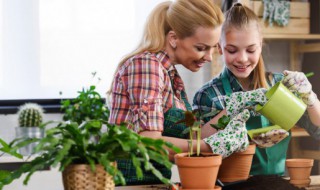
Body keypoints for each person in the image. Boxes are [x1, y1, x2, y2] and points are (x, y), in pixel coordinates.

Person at [107, 0, 250, 185]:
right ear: (174, 39)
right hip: (128, 184)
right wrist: (211, 147)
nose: (208, 57)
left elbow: (194, 137)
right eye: (201, 48)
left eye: (213, 48)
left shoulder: (170, 75)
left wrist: (233, 109)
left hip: (153, 182)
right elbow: (149, 143)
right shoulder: (146, 66)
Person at [193, 3, 320, 176]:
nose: (242, 59)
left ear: (260, 45)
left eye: (251, 49)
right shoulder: (209, 95)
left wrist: (310, 98)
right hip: (230, 185)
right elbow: (196, 147)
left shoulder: (280, 86)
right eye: (232, 50)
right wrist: (231, 109)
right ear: (220, 48)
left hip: (276, 184)